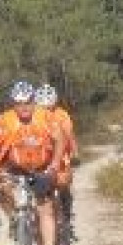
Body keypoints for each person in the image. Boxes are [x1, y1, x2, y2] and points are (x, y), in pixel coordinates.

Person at [0, 81, 65, 245]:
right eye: (18, 103)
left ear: (33, 101)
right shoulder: (4, 120)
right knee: (0, 188)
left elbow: (60, 140)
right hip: (14, 167)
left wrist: (55, 164)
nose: (23, 107)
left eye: (27, 102)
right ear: (13, 104)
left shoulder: (46, 117)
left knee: (45, 209)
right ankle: (15, 218)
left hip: (42, 167)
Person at [35, 84, 78, 223]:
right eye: (43, 107)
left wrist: (75, 153)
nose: (47, 110)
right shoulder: (33, 115)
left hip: (61, 154)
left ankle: (66, 209)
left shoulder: (62, 115)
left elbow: (69, 135)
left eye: (49, 107)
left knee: (63, 182)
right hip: (40, 156)